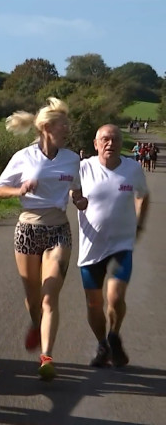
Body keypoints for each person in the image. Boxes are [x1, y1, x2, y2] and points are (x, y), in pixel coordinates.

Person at [0, 97, 84, 382]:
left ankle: (47, 357)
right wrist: (19, 189)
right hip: (28, 229)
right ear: (46, 127)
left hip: (58, 229)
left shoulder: (72, 159)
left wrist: (80, 200)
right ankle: (35, 322)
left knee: (49, 296)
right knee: (33, 298)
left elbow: (75, 191)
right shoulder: (24, 157)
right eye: (62, 124)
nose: (67, 128)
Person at [76, 124, 149, 369]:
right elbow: (69, 190)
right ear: (96, 144)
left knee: (115, 298)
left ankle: (114, 334)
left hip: (121, 245)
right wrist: (75, 199)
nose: (111, 143)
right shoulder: (83, 168)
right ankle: (102, 344)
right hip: (91, 248)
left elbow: (143, 195)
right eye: (105, 139)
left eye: (115, 139)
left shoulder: (133, 169)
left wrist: (139, 225)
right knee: (94, 304)